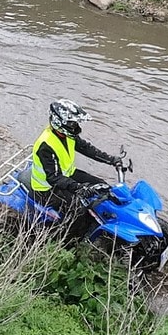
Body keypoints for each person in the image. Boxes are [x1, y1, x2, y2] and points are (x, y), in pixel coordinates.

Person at [30, 99, 122, 237]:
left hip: (67, 175)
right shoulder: (46, 145)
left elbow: (88, 149)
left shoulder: (69, 136)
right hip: (46, 188)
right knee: (78, 209)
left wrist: (111, 160)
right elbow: (54, 177)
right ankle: (67, 240)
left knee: (103, 186)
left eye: (75, 123)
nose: (75, 126)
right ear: (59, 122)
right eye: (72, 123)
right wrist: (79, 187)